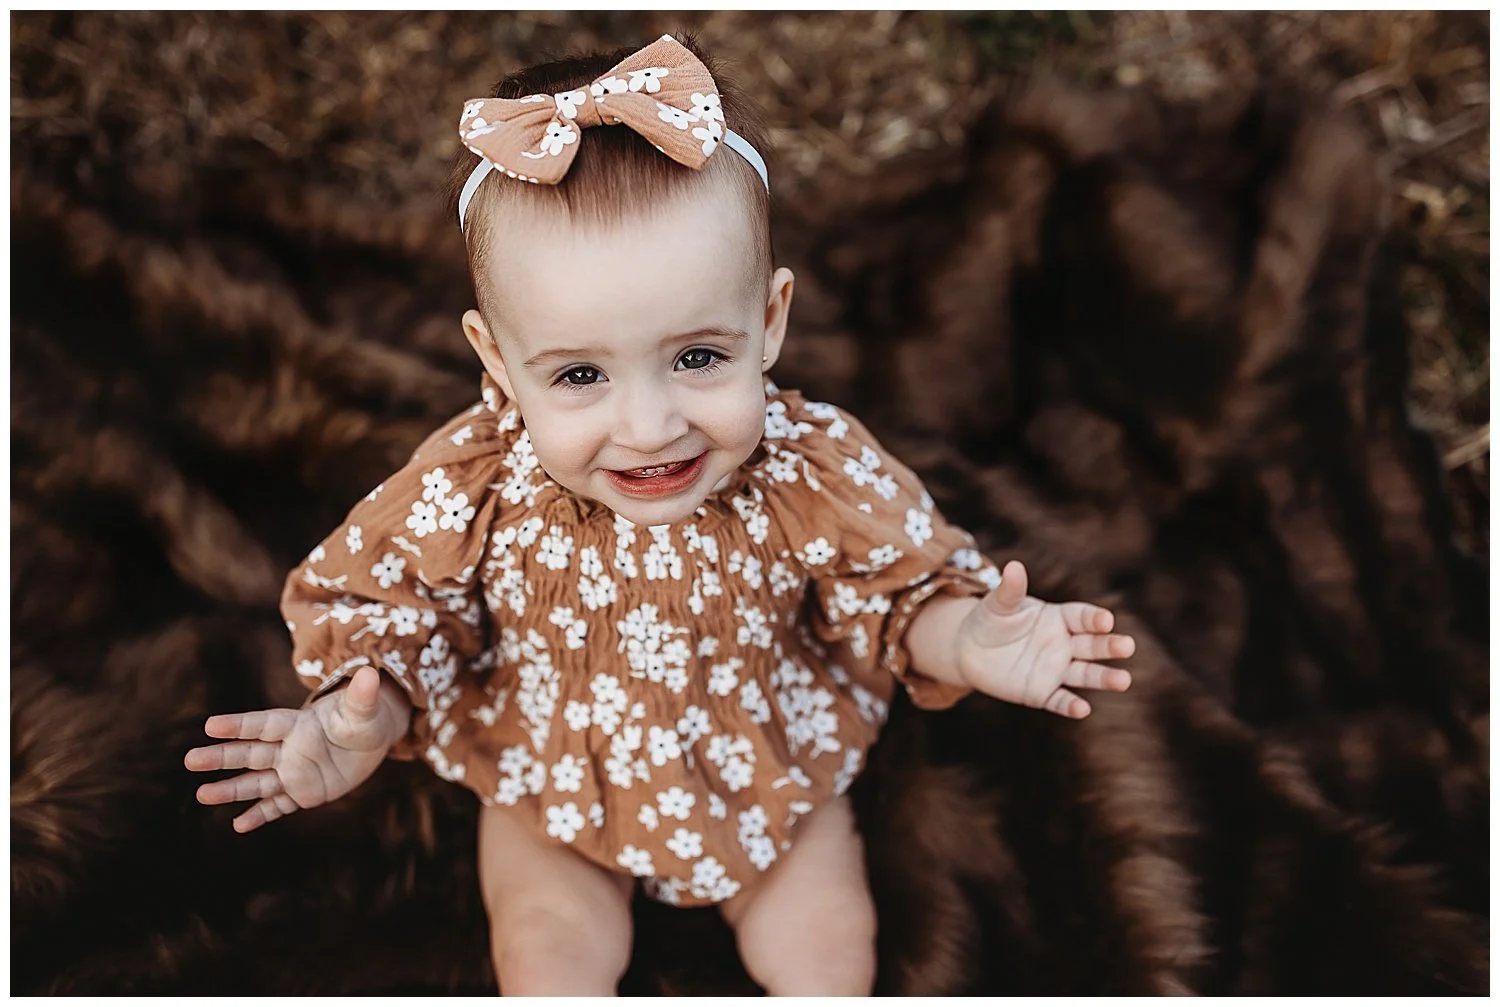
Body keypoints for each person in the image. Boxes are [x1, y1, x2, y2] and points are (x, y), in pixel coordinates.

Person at [185, 34, 1134, 996]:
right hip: (551, 775)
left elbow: (893, 593)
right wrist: (364, 715)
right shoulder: (472, 486)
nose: (649, 428)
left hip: (769, 762)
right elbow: (400, 614)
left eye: (697, 358)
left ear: (769, 321)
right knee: (546, 953)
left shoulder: (807, 469)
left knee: (828, 948)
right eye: (580, 375)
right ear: (499, 362)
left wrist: (967, 639)